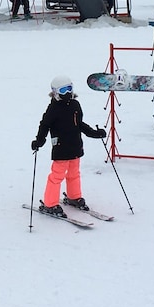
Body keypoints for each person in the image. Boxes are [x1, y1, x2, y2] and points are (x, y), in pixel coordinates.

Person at [31, 75, 106, 217]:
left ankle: (74, 196)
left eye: (69, 89)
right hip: (61, 147)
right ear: (55, 92)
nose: (67, 93)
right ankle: (50, 203)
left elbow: (79, 124)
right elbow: (44, 125)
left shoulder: (75, 105)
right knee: (57, 176)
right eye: (63, 90)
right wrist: (39, 140)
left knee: (74, 174)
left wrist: (94, 133)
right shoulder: (53, 108)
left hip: (75, 146)